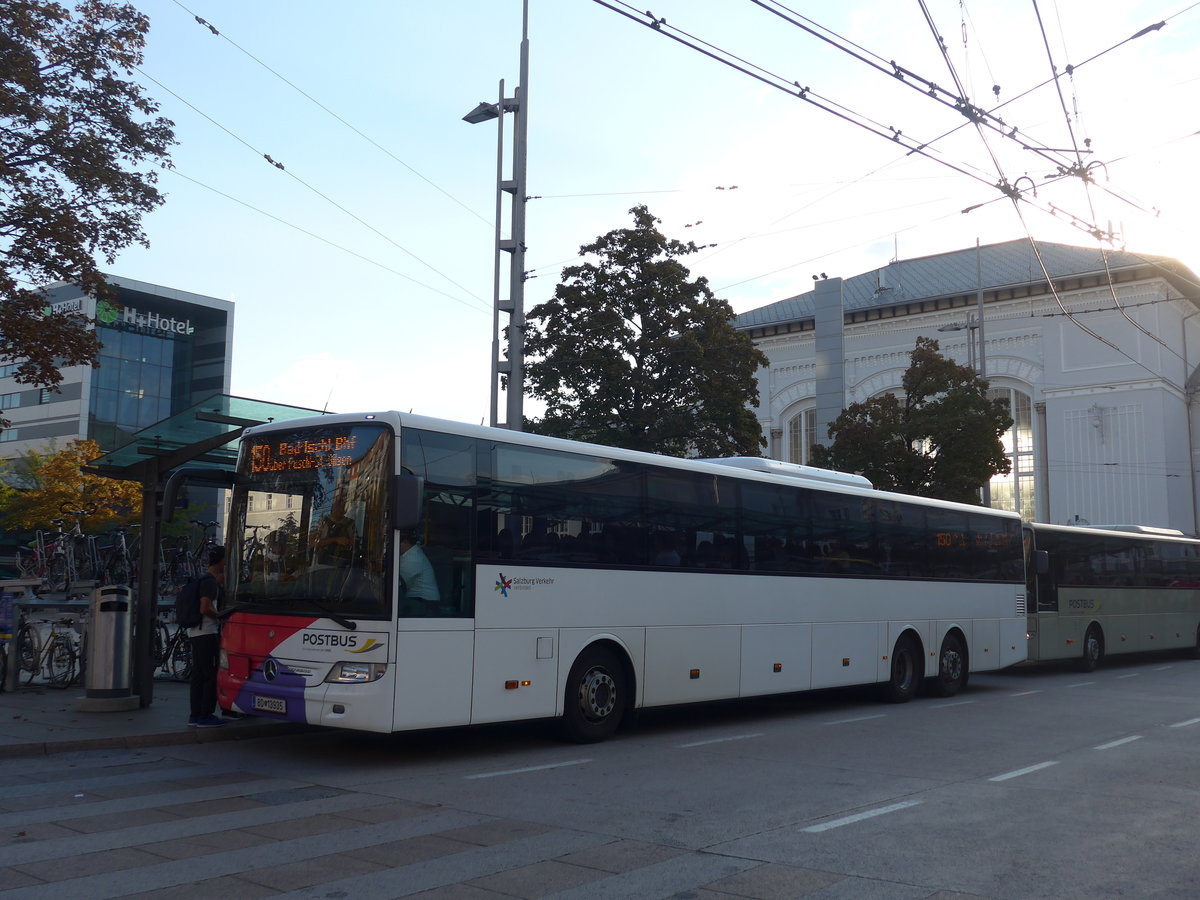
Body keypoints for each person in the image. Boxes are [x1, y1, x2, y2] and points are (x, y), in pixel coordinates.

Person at [187, 546, 228, 728]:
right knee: (210, 675)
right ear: (221, 561)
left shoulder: (201, 578)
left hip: (195, 632)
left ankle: (195, 715)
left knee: (198, 675)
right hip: (207, 633)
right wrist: (219, 616)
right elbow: (204, 608)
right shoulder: (210, 582)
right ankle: (206, 715)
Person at [398, 530, 440, 615]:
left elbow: (396, 580)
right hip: (418, 599)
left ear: (405, 542)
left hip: (425, 602)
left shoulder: (414, 557)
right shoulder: (408, 554)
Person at [312, 494, 357, 566]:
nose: (339, 509)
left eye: (342, 506)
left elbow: (356, 544)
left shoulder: (350, 523)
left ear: (345, 509)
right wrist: (336, 539)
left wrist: (348, 542)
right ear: (332, 507)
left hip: (344, 563)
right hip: (324, 562)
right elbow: (314, 543)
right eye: (337, 506)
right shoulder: (323, 522)